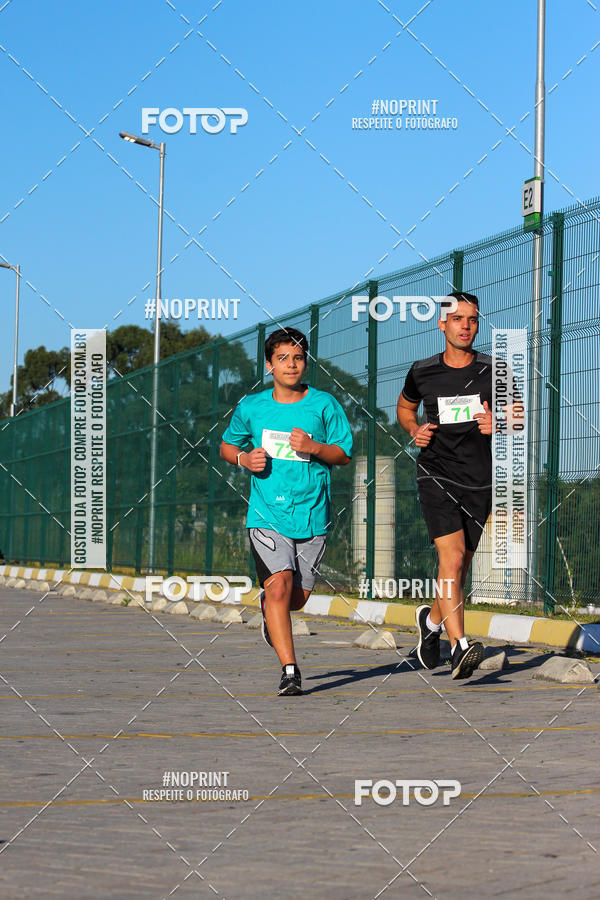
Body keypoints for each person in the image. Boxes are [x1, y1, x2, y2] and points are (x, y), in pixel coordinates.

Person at [220, 327, 353, 696]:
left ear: (305, 362)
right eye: (282, 359)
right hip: (267, 515)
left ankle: (270, 613)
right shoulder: (252, 407)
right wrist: (245, 458)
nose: (291, 365)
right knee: (278, 587)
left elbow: (343, 454)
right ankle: (290, 670)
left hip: (312, 514)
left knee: (296, 598)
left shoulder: (324, 405)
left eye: (297, 358)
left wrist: (313, 446)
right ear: (269, 365)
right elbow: (226, 447)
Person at [396, 292, 492, 679]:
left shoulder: (494, 369)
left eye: (472, 319)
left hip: (479, 480)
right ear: (442, 324)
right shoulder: (422, 371)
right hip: (435, 473)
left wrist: (499, 423)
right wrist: (413, 429)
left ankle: (431, 623)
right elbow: (405, 408)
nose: (465, 326)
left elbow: (516, 413)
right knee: (450, 560)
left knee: (461, 567)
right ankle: (460, 647)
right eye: (457, 319)